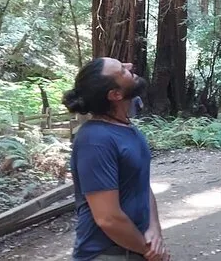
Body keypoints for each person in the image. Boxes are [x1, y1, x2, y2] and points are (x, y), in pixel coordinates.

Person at [62, 57, 170, 261]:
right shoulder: (95, 140)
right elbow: (108, 218)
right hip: (106, 254)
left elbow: (141, 185)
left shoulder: (128, 129)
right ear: (115, 94)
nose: (130, 66)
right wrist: (149, 251)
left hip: (134, 248)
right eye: (122, 70)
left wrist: (154, 229)